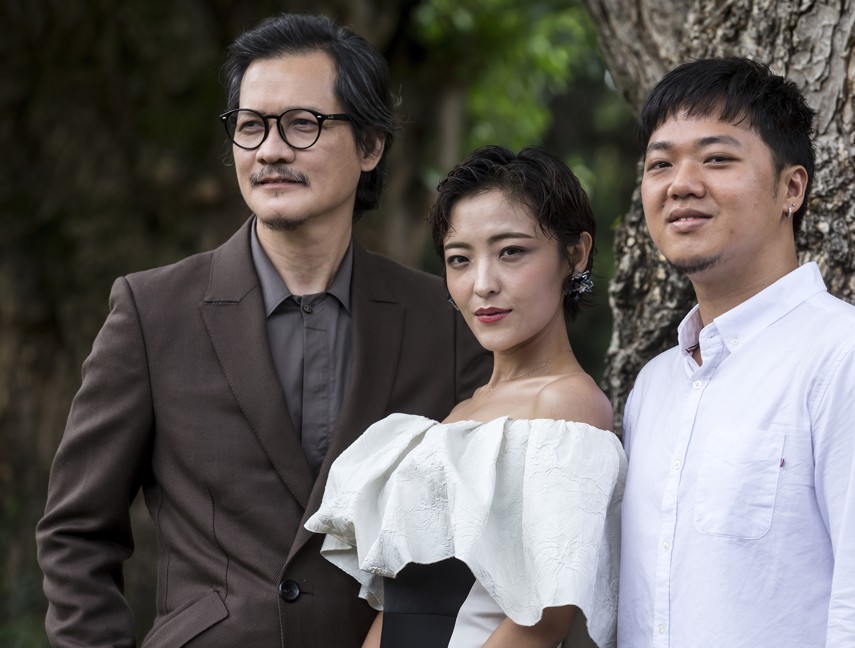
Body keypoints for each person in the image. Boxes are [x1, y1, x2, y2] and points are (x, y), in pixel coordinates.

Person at [36, 13, 490, 648]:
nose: (270, 150)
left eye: (303, 124)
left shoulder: (442, 317)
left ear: (370, 145)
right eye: (250, 127)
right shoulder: (151, 311)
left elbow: (481, 532)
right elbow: (76, 535)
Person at [617, 56, 855, 646]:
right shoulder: (656, 386)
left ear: (791, 188)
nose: (681, 184)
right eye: (660, 164)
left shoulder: (851, 360)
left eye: (717, 158)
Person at [305, 145, 627, 648]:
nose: (482, 284)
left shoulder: (566, 406)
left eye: (511, 252)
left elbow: (541, 622)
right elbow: (398, 606)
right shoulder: (461, 413)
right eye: (460, 259)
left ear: (576, 253)